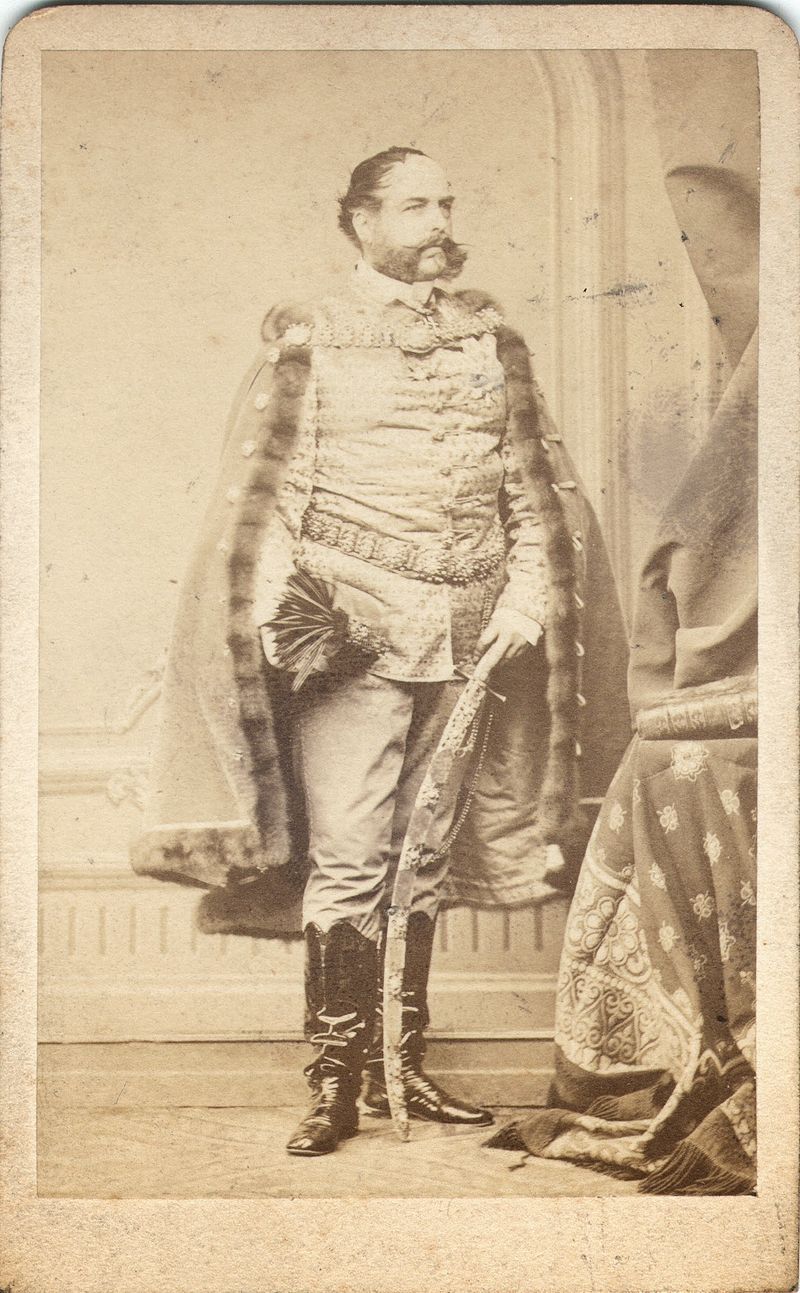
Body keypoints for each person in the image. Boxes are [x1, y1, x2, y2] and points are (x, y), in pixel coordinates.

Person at [132, 148, 630, 1157]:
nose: (437, 222)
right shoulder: (312, 340)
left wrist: (524, 604)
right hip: (352, 643)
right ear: (359, 221)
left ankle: (401, 1066)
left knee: (423, 857)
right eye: (412, 206)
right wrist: (296, 619)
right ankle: (335, 1083)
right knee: (353, 856)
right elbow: (270, 502)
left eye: (445, 203)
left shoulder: (488, 340)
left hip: (474, 639)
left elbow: (533, 493)